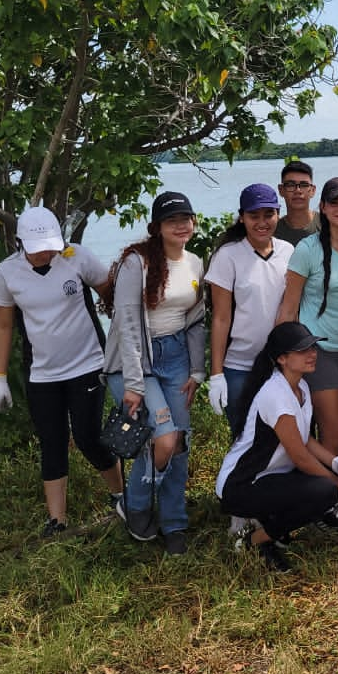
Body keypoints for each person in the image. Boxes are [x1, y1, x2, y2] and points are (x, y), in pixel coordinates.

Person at [0, 206, 122, 537]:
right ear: (20, 244)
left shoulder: (77, 258)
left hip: (88, 363)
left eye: (51, 245)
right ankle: (57, 521)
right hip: (43, 372)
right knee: (52, 440)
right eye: (38, 248)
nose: (47, 252)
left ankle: (122, 495)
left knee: (89, 436)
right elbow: (3, 325)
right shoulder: (8, 274)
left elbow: (110, 291)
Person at [101, 191, 206, 555]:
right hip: (137, 361)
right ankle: (137, 503)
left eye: (186, 218)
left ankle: (175, 522)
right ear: (157, 227)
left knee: (179, 443)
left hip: (176, 357)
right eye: (171, 220)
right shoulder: (138, 263)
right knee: (162, 438)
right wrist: (133, 384)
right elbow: (128, 321)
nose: (180, 225)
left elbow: (195, 322)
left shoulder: (194, 263)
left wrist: (197, 369)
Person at [215, 322, 338, 573]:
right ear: (282, 358)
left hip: (274, 478)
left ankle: (268, 524)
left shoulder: (301, 386)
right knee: (325, 491)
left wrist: (335, 462)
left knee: (324, 484)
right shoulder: (275, 393)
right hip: (241, 485)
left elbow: (304, 438)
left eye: (313, 347)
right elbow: (301, 457)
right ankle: (255, 540)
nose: (312, 353)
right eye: (303, 350)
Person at [276, 176, 338, 536]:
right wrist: (281, 360)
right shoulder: (307, 250)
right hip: (319, 352)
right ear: (325, 207)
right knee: (331, 436)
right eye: (336, 202)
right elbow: (288, 308)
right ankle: (329, 503)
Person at [206, 184, 295, 430]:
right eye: (254, 216)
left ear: (278, 214)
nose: (262, 222)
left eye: (269, 214)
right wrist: (216, 374)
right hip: (239, 368)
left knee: (283, 439)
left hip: (281, 364)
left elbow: (293, 309)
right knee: (244, 438)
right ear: (242, 217)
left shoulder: (288, 251)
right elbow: (221, 319)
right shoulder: (228, 255)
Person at [274, 160, 319, 246]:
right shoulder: (272, 231)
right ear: (281, 190)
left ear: (313, 190)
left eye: (304, 185)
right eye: (290, 185)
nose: (298, 191)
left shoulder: (327, 225)